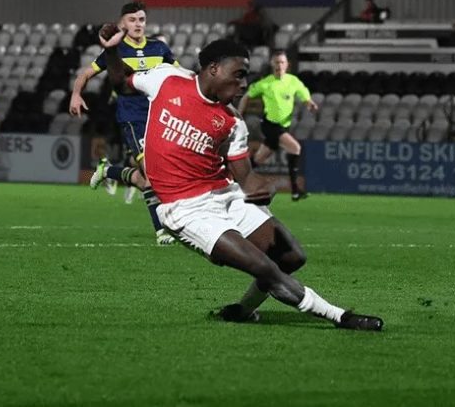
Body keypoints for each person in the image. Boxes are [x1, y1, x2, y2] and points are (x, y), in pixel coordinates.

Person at [98, 27, 383, 330]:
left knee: (291, 257)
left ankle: (240, 311)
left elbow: (245, 179)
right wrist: (113, 50)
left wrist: (259, 186)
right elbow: (121, 81)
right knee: (264, 267)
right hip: (184, 209)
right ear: (213, 69)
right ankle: (340, 316)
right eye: (239, 74)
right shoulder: (167, 79)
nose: (244, 83)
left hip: (225, 195)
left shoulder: (232, 121)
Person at [71, 1, 178, 246]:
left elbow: (180, 73)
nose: (138, 24)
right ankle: (161, 231)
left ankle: (107, 171)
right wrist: (76, 94)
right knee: (152, 174)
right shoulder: (114, 50)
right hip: (133, 118)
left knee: (143, 180)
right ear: (123, 24)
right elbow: (85, 74)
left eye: (141, 19)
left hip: (160, 118)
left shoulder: (159, 47)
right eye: (132, 20)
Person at [238, 51, 317, 201]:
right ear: (271, 64)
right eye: (276, 62)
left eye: (281, 62)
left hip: (283, 126)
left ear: (287, 65)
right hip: (270, 125)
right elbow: (247, 96)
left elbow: (304, 95)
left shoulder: (293, 81)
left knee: (258, 159)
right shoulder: (266, 83)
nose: (279, 65)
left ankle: (236, 182)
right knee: (295, 148)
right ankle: (295, 190)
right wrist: (239, 115)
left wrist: (309, 103)